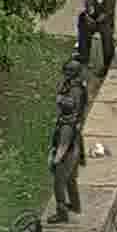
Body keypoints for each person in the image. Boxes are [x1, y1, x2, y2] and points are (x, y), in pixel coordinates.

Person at [47, 96, 85, 224]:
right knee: (71, 180)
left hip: (67, 157)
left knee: (59, 185)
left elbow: (63, 146)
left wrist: (55, 161)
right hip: (75, 152)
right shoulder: (73, 119)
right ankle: (75, 205)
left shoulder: (66, 127)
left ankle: (62, 214)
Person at [77, 0, 117, 72]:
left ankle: (107, 65)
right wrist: (89, 8)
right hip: (94, 14)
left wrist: (97, 20)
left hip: (105, 18)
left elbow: (109, 7)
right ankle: (83, 56)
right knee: (83, 23)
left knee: (107, 41)